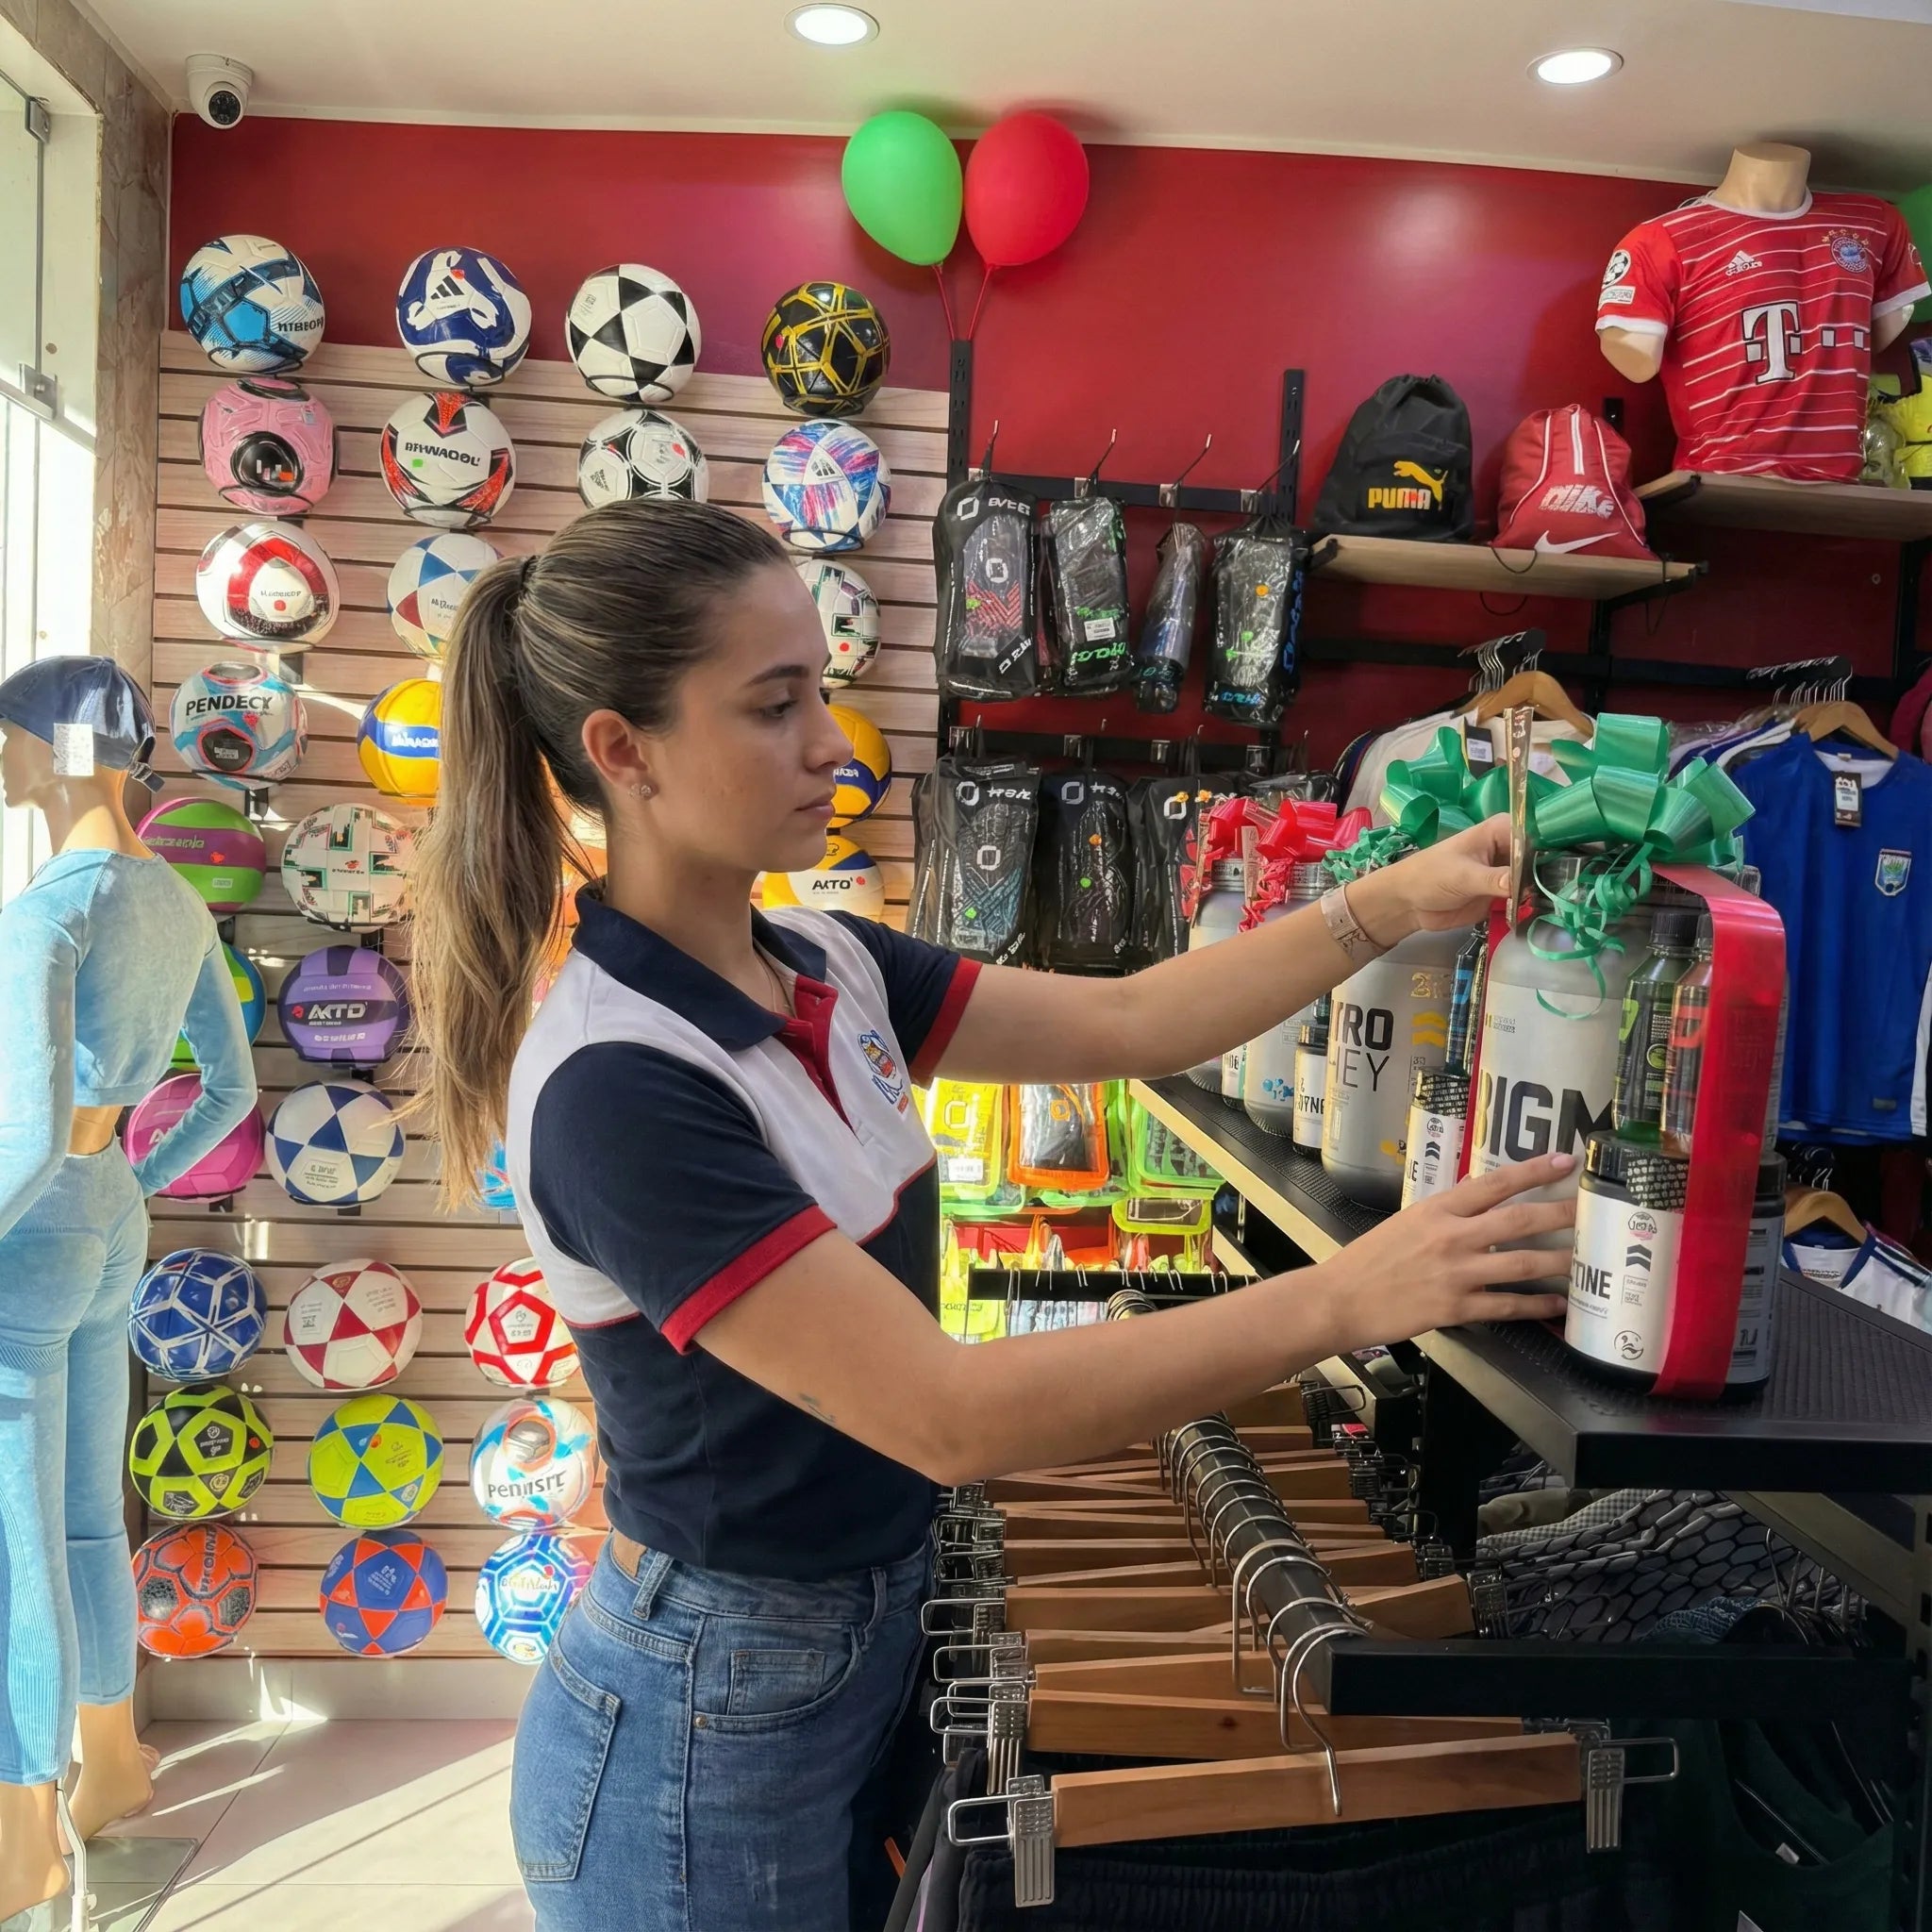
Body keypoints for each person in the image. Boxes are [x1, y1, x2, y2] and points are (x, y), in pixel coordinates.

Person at [410, 501, 1575, 1932]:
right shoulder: (621, 1083)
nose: (832, 744)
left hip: (855, 1642)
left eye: (820, 694)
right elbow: (948, 1416)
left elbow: (1138, 1017)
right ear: (621, 750)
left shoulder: (822, 961)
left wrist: (1390, 903)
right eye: (776, 707)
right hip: (706, 1719)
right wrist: (1348, 1297)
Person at [0, 658, 257, 1924]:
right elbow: (232, 1092)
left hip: (30, 1233)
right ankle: (111, 1765)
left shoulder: (47, 912)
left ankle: (24, 1834)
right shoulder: (173, 902)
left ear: (49, 748)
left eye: (5, 738)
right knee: (92, 1518)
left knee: (15, 1544)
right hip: (112, 1220)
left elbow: (25, 1129)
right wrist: (129, 1175)